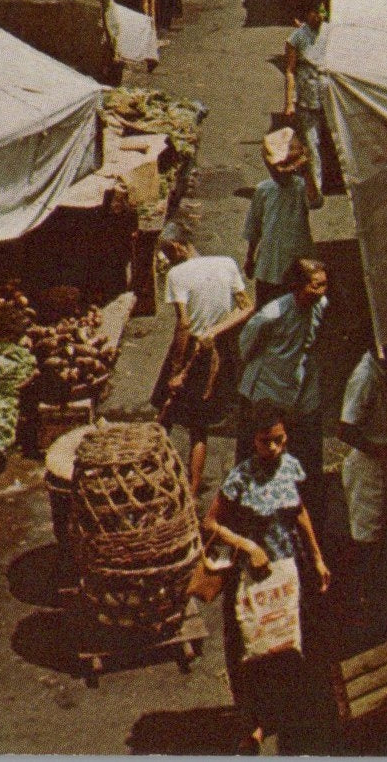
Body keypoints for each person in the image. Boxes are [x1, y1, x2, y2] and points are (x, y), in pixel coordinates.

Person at [203, 405, 331, 755]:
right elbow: (211, 524)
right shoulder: (240, 477)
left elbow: (300, 513)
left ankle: (287, 716)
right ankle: (254, 725)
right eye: (265, 442)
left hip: (290, 569)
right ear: (253, 442)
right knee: (251, 652)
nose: (273, 448)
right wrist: (248, 545)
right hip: (252, 577)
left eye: (279, 440)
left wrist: (318, 558)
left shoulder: (291, 467)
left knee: (288, 646)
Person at [153, 227, 253, 498]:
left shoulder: (177, 275)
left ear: (177, 247)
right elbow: (246, 307)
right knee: (199, 426)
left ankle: (153, 472)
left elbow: (183, 325)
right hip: (217, 351)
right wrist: (216, 330)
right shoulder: (226, 264)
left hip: (190, 353)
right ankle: (193, 488)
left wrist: (176, 369)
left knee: (164, 413)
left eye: (166, 253)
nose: (167, 260)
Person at [236, 259, 329, 527]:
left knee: (301, 456)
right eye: (316, 285)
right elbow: (246, 347)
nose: (322, 291)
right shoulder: (272, 315)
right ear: (297, 287)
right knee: (257, 456)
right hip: (266, 393)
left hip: (299, 392)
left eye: (324, 285)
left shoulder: (319, 307)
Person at [337, 349, 387, 615]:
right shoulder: (364, 377)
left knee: (378, 533)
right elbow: (345, 429)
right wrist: (382, 453)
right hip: (368, 464)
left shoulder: (385, 370)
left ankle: (368, 593)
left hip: (383, 461)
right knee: (365, 538)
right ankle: (352, 598)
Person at [243, 129, 317, 309]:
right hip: (268, 261)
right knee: (267, 306)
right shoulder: (264, 189)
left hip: (296, 258)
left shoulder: (301, 186)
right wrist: (250, 257)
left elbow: (315, 201)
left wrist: (307, 172)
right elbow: (255, 225)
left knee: (295, 305)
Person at [285, 0, 326, 197]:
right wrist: (289, 103)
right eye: (315, 12)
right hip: (307, 99)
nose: (320, 17)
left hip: (327, 98)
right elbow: (290, 71)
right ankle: (314, 190)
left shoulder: (329, 33)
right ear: (307, 13)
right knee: (311, 144)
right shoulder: (296, 38)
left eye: (322, 12)